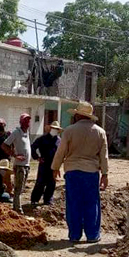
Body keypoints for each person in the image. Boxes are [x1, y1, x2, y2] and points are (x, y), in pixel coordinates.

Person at [51, 101, 108, 243]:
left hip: (72, 171)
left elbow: (61, 151)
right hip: (91, 172)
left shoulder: (69, 130)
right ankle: (92, 235)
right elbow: (104, 155)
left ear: (77, 115)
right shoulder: (100, 132)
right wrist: (105, 174)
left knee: (73, 203)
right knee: (91, 203)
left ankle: (75, 235)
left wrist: (55, 168)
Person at [2, 113, 32, 214]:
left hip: (26, 165)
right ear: (21, 122)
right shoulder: (16, 132)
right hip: (20, 166)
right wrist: (15, 155)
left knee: (21, 188)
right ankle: (17, 209)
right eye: (25, 120)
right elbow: (4, 145)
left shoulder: (27, 133)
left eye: (28, 120)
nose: (28, 122)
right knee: (18, 188)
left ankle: (16, 207)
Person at [31, 121, 62, 206]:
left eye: (56, 129)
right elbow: (33, 147)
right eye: (53, 129)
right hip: (44, 164)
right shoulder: (42, 139)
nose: (54, 130)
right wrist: (37, 157)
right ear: (50, 129)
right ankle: (34, 199)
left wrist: (58, 165)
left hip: (54, 164)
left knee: (51, 183)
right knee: (40, 182)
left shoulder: (59, 141)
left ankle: (48, 200)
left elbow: (62, 153)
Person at [0, 118, 13, 196]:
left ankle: (9, 190)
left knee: (6, 175)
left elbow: (12, 146)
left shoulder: (8, 134)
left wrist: (11, 154)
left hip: (5, 158)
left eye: (1, 124)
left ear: (4, 124)